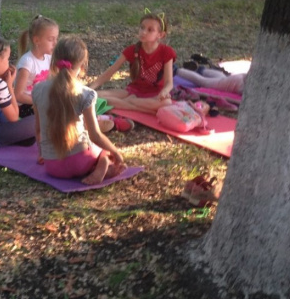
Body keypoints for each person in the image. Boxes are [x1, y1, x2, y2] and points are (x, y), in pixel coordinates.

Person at [33, 37, 126, 185]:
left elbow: (38, 131)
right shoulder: (86, 94)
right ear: (82, 67)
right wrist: (116, 152)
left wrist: (41, 153)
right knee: (104, 150)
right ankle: (102, 165)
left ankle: (99, 166)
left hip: (52, 166)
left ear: (53, 62)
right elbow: (95, 136)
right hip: (82, 162)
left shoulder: (37, 90)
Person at [89, 12, 176, 114]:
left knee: (166, 103)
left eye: (150, 30)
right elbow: (109, 73)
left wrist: (165, 91)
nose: (143, 32)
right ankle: (140, 109)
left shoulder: (167, 52)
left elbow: (169, 82)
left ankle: (126, 103)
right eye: (142, 28)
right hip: (133, 92)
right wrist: (90, 88)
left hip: (154, 94)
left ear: (160, 35)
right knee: (96, 95)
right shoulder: (132, 50)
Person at [13, 15, 59, 117]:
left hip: (40, 100)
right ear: (37, 40)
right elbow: (18, 95)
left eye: (56, 39)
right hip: (25, 106)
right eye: (51, 39)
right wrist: (42, 102)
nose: (55, 43)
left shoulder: (48, 58)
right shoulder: (27, 62)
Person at [175, 66, 245, 95]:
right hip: (239, 84)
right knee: (204, 82)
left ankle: (202, 70)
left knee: (222, 78)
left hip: (241, 78)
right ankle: (176, 70)